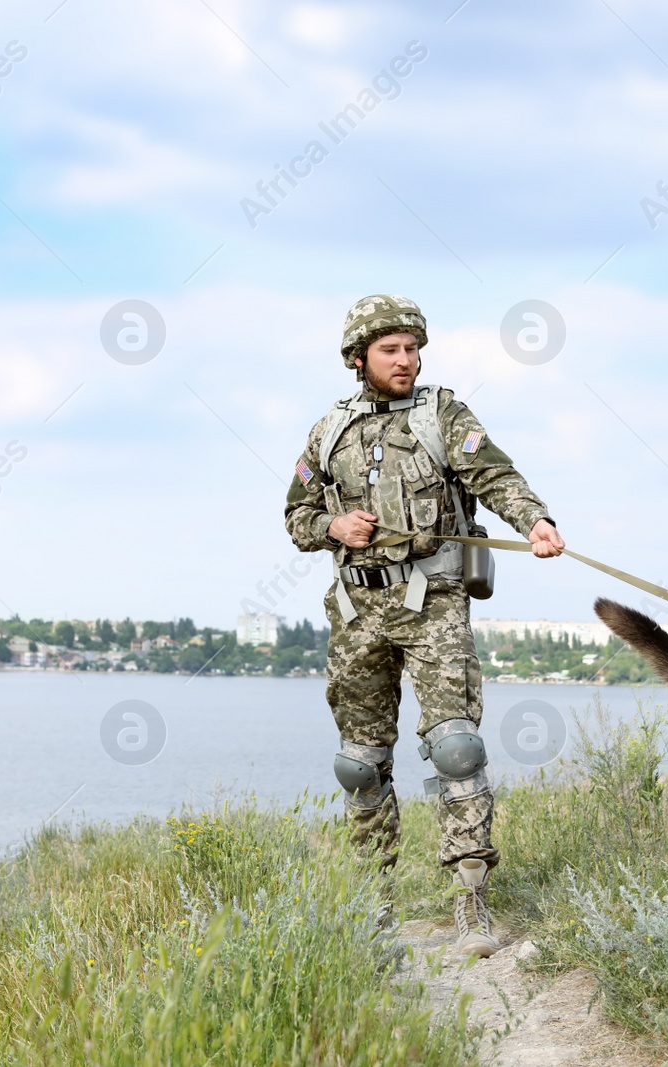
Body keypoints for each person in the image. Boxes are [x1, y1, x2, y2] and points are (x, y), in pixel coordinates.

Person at [284, 294, 564, 957]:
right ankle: (372, 908)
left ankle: (472, 905)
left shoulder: (443, 413)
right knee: (360, 764)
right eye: (391, 349)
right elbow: (297, 515)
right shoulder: (329, 430)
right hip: (357, 612)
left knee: (457, 749)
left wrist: (536, 522)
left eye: (413, 347)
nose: (406, 359)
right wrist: (334, 525)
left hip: (432, 602)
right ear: (360, 358)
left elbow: (495, 474)